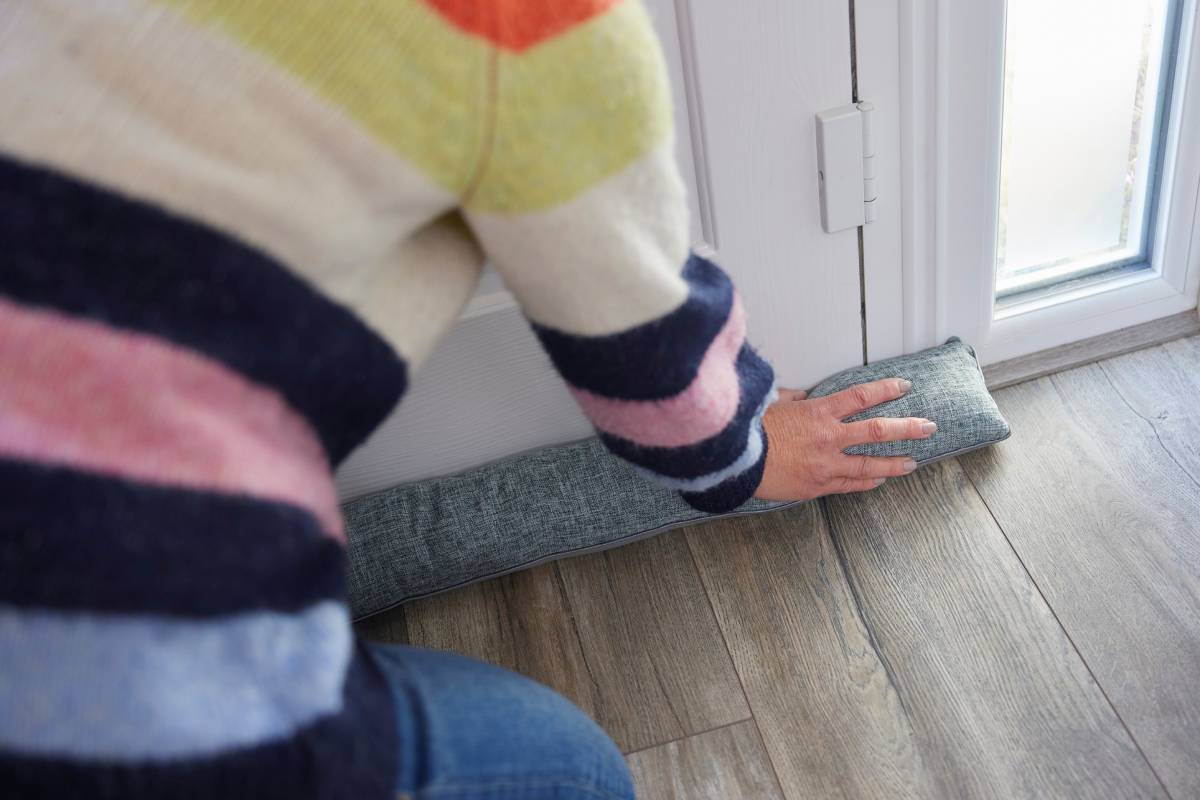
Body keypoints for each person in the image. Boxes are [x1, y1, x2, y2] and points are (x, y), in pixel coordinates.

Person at [0, 1, 935, 797]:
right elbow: (647, 355)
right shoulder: (523, 27)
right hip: (111, 688)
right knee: (569, 771)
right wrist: (752, 454)